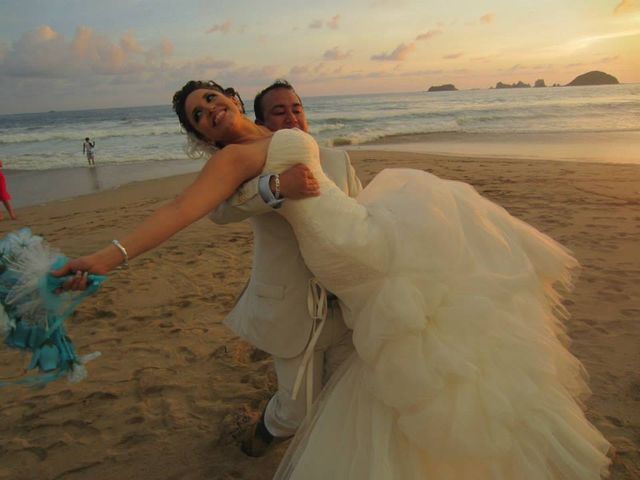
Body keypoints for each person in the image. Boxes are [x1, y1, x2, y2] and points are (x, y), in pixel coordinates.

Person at [53, 80, 610, 479]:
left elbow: (337, 191)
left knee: (426, 327)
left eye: (211, 99)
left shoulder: (288, 140)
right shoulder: (231, 165)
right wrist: (108, 257)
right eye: (198, 115)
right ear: (199, 134)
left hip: (360, 242)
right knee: (307, 398)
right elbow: (185, 210)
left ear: (233, 97)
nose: (209, 111)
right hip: (339, 261)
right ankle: (264, 435)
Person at [209, 79, 362, 456]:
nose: (292, 117)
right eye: (279, 111)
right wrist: (277, 185)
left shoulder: (336, 160)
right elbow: (221, 210)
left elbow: (363, 214)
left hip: (345, 306)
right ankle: (261, 436)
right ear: (262, 123)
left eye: (297, 108)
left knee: (344, 394)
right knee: (295, 410)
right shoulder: (250, 168)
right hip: (291, 307)